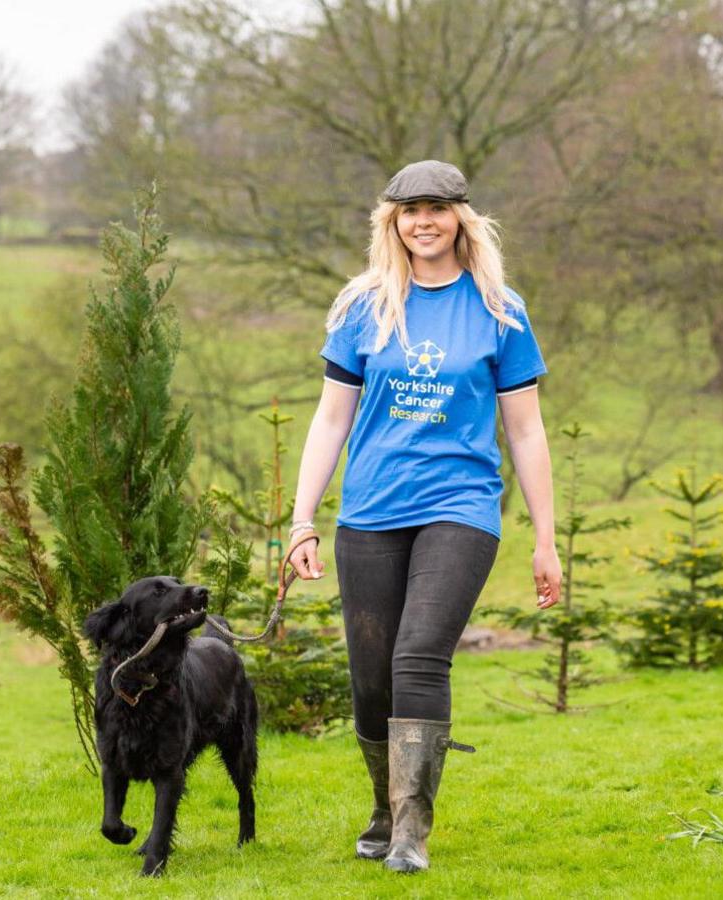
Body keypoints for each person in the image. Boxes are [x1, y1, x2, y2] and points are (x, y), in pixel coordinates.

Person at [282, 159, 562, 874]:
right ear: (393, 222)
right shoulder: (363, 308)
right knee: (372, 675)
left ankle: (411, 827)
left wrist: (545, 541)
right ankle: (384, 803)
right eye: (410, 211)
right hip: (372, 510)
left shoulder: (500, 309)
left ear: (461, 217)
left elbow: (526, 431)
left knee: (418, 654)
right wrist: (301, 520)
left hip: (461, 507)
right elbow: (331, 417)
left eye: (438, 207)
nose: (424, 221)